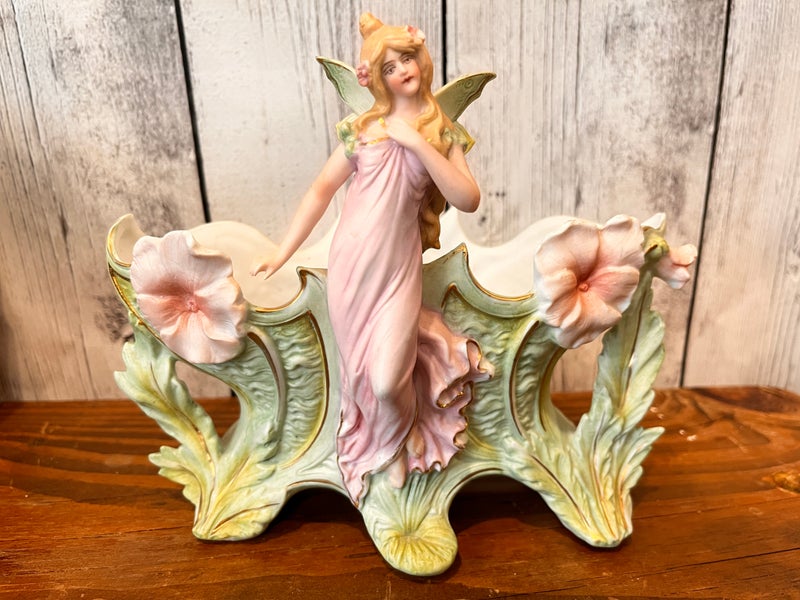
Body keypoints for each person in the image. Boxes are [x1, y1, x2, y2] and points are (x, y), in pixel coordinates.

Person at [252, 13, 490, 505]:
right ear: (376, 79)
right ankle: (389, 451)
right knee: (360, 374)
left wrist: (418, 142)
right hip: (352, 264)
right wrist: (281, 251)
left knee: (386, 380)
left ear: (420, 58)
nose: (403, 70)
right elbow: (320, 191)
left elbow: (467, 198)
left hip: (398, 270)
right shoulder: (362, 130)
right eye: (389, 67)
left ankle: (401, 435)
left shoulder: (441, 131)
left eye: (406, 58)